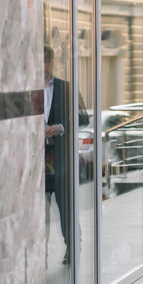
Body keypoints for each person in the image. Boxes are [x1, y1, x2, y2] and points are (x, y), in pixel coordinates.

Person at [44, 45, 89, 265]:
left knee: (64, 206)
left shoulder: (66, 87)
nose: (40, 66)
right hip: (36, 159)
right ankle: (38, 255)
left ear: (51, 62)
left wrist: (61, 127)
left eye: (44, 61)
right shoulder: (26, 89)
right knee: (40, 212)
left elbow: (83, 117)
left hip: (60, 157)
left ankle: (73, 246)